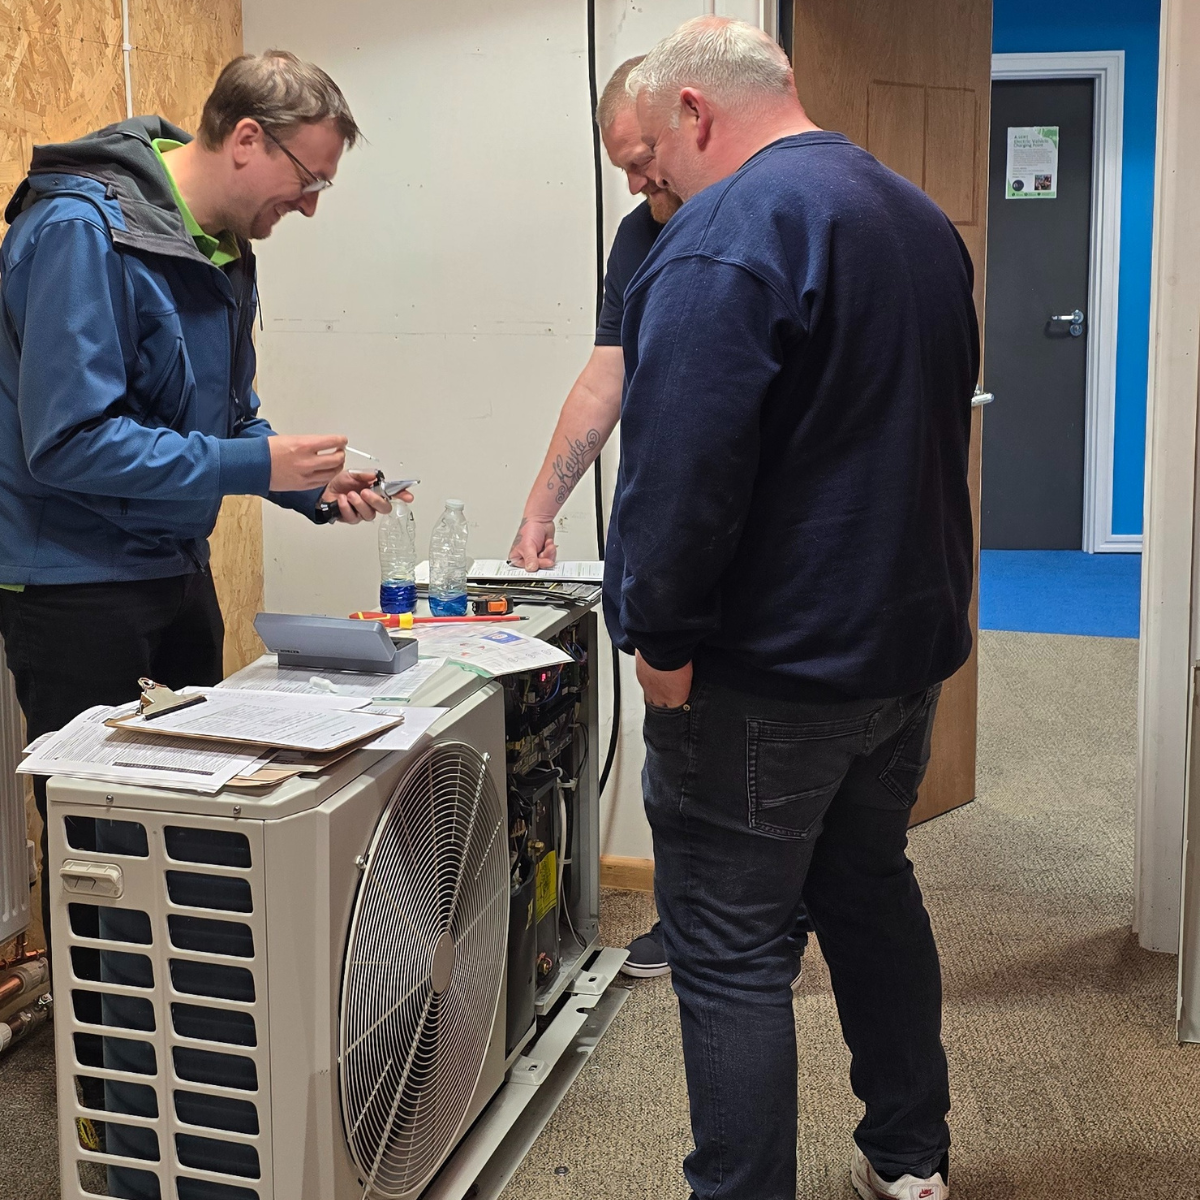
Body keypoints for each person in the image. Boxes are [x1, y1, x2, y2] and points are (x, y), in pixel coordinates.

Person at [612, 17, 977, 1200]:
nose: (654, 184)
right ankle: (910, 1165)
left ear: (695, 111)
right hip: (901, 655)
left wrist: (661, 638)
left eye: (653, 155)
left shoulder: (726, 236)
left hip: (768, 673)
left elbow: (681, 473)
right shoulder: (917, 218)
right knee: (869, 893)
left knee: (728, 951)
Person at [0, 50, 403, 959]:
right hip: (74, 589)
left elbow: (224, 420)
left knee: (192, 832)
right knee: (106, 857)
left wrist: (305, 484)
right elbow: (68, 443)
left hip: (174, 570)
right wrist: (256, 464)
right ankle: (110, 1043)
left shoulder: (221, 248)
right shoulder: (80, 233)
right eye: (308, 181)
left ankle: (195, 1036)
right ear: (247, 138)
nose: (309, 207)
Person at [508, 55, 684, 979]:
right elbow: (604, 377)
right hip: (666, 543)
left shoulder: (752, 225)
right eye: (622, 166)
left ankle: (746, 932)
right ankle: (698, 923)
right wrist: (540, 512)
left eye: (645, 158)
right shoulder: (639, 236)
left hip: (743, 559)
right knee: (676, 751)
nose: (638, 182)